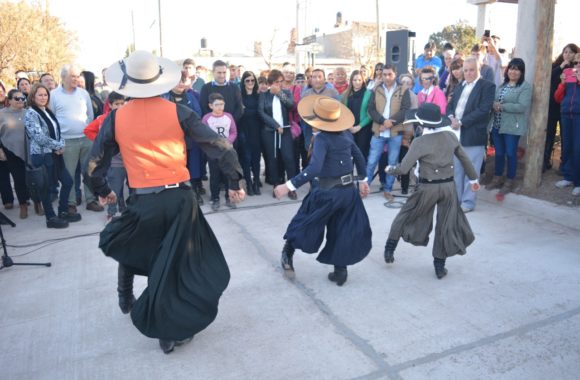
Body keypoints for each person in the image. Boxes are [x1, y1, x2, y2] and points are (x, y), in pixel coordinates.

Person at [85, 50, 245, 354]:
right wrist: (235, 181)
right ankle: (168, 329)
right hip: (180, 199)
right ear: (160, 81)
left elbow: (93, 164)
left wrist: (103, 189)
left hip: (143, 199)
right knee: (177, 262)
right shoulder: (179, 111)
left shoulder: (116, 117)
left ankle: (125, 295)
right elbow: (220, 146)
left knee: (135, 244)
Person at [274, 95, 371, 286]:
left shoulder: (322, 139)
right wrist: (363, 180)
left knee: (304, 223)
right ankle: (340, 272)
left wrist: (288, 185)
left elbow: (315, 168)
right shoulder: (346, 135)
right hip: (348, 193)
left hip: (327, 193)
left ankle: (287, 255)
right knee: (342, 229)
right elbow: (359, 157)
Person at [383, 103, 480, 279]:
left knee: (405, 215)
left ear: (421, 123)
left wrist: (390, 169)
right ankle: (439, 267)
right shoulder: (450, 136)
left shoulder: (420, 142)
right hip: (449, 188)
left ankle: (390, 249)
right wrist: (474, 180)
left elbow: (403, 169)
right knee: (445, 225)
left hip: (427, 187)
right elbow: (466, 160)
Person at [25, 83, 82, 228]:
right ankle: (50, 218)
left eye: (45, 95)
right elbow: (38, 137)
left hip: (55, 154)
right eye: (40, 95)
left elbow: (57, 132)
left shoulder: (48, 111)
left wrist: (61, 144)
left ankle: (63, 211)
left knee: (68, 182)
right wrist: (57, 146)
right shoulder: (31, 113)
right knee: (46, 188)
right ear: (33, 96)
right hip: (43, 155)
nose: (43, 97)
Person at [447, 57, 495, 213]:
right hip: (455, 135)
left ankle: (468, 203)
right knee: (456, 172)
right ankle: (456, 200)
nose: (468, 73)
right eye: (466, 70)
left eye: (471, 69)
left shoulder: (487, 86)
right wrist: (451, 118)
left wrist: (461, 122)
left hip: (473, 136)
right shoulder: (459, 86)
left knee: (471, 172)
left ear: (478, 69)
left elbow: (483, 110)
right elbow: (450, 106)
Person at [50, 64, 101, 213]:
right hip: (67, 141)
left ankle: (91, 200)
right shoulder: (54, 95)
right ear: (63, 77)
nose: (76, 79)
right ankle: (71, 203)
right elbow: (52, 119)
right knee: (69, 174)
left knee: (89, 171)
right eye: (72, 76)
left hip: (86, 139)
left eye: (77, 76)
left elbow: (90, 116)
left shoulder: (83, 93)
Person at [486, 58, 532, 193]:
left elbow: (522, 106)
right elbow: (494, 100)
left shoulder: (525, 87)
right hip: (497, 124)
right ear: (508, 70)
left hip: (512, 126)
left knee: (511, 153)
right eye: (511, 68)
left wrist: (502, 106)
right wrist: (493, 104)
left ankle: (510, 180)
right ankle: (497, 178)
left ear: (521, 72)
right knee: (499, 153)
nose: (513, 71)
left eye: (517, 69)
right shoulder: (502, 85)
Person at [366, 64, 411, 200]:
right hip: (378, 132)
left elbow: (405, 110)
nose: (386, 77)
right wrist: (382, 121)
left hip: (395, 133)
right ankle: (365, 187)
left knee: (392, 163)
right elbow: (371, 109)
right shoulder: (377, 89)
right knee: (371, 161)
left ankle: (388, 189)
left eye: (389, 74)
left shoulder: (403, 90)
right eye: (384, 74)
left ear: (395, 74)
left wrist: (390, 122)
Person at [161, 71, 205, 204]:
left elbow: (198, 114)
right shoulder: (164, 98)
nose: (180, 84)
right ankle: (179, 194)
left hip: (191, 137)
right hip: (173, 140)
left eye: (182, 80)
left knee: (194, 165)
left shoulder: (191, 97)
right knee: (176, 167)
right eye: (177, 81)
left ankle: (196, 190)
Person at [83, 92, 127, 222]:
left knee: (128, 188)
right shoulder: (103, 118)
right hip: (115, 162)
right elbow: (88, 130)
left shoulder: (129, 118)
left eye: (122, 103)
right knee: (115, 188)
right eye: (116, 104)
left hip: (129, 161)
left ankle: (124, 210)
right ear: (110, 105)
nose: (119, 106)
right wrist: (100, 143)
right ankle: (112, 212)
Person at [258, 69, 297, 199]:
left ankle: (291, 187)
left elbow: (291, 105)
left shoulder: (286, 92)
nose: (279, 84)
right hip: (269, 132)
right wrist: (275, 125)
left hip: (285, 131)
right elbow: (261, 113)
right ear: (270, 83)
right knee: (272, 159)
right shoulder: (263, 95)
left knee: (288, 158)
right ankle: (276, 186)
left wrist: (279, 93)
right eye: (276, 82)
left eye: (281, 82)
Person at [544, 43, 579, 172]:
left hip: (568, 108)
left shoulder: (576, 67)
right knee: (549, 134)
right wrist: (561, 67)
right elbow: (548, 78)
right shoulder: (557, 65)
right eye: (565, 52)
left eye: (570, 52)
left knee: (566, 137)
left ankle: (564, 164)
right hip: (553, 106)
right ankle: (545, 161)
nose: (567, 54)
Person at [202, 93, 238, 210]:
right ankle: (215, 198)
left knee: (228, 175)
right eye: (217, 105)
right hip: (213, 152)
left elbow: (233, 132)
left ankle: (229, 197)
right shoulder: (207, 118)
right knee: (215, 175)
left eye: (222, 104)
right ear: (210, 105)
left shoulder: (228, 117)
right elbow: (203, 135)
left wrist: (228, 142)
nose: (220, 107)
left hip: (227, 151)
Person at [0, 89, 31, 218]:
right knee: (18, 179)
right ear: (10, 100)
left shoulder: (28, 113)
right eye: (17, 98)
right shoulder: (2, 114)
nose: (21, 101)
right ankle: (23, 205)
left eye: (23, 98)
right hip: (10, 150)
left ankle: (36, 202)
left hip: (28, 150)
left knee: (31, 178)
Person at [553, 53, 580, 196]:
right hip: (566, 114)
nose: (577, 66)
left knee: (578, 148)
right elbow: (557, 98)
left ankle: (578, 181)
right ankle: (568, 177)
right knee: (568, 146)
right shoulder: (568, 75)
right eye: (575, 63)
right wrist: (562, 84)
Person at [238, 71, 262, 195]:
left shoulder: (259, 96)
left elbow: (261, 113)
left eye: (252, 80)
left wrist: (247, 111)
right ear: (243, 82)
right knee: (246, 159)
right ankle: (249, 184)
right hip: (243, 131)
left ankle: (256, 183)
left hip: (257, 131)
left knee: (256, 159)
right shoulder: (239, 96)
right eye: (247, 80)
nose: (250, 83)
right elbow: (238, 114)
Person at [342, 70, 373, 160]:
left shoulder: (369, 94)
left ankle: (363, 174)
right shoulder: (345, 95)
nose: (357, 82)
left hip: (363, 130)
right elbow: (343, 112)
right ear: (351, 81)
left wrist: (359, 126)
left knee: (362, 157)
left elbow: (370, 114)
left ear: (363, 81)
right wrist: (349, 126)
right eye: (355, 80)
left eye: (359, 80)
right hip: (348, 129)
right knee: (348, 157)